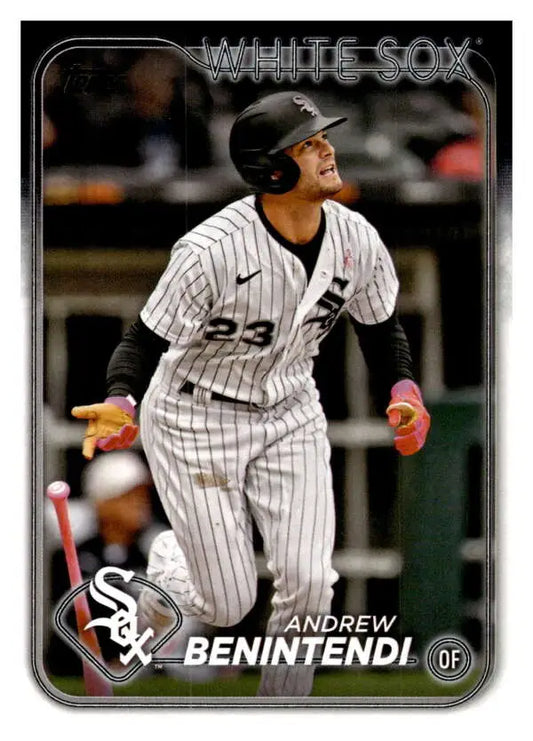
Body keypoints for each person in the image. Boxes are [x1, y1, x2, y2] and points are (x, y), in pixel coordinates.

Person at [71, 90, 431, 697]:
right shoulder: (211, 250)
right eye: (308, 143)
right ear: (272, 168)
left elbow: (380, 325)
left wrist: (404, 389)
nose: (327, 150)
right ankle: (171, 561)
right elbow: (144, 336)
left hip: (291, 410)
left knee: (311, 582)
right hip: (194, 417)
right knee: (227, 604)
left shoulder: (355, 235)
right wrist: (121, 398)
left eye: (323, 138)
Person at [47, 451, 154, 676]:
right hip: (77, 672)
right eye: (129, 495)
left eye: (143, 494)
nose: (141, 503)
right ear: (102, 502)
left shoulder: (152, 556)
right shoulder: (70, 559)